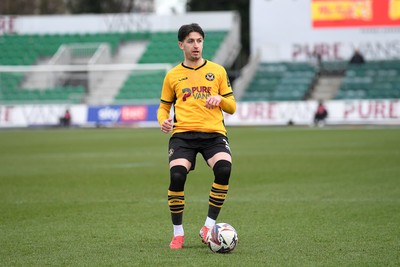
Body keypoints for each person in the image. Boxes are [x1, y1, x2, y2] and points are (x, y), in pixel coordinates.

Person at [157, 23, 236, 249]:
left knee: (224, 169)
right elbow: (163, 107)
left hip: (213, 134)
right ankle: (178, 233)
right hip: (183, 135)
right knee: (177, 176)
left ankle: (208, 226)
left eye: (199, 41)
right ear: (181, 44)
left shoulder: (218, 71)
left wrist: (221, 100)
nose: (196, 46)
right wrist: (162, 120)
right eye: (190, 41)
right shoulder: (172, 75)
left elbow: (232, 107)